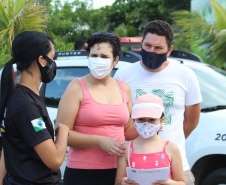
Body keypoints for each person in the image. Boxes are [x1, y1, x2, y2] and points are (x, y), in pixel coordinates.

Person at [114, 20, 202, 185]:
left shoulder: (186, 75)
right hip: (133, 165)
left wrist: (168, 143)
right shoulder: (124, 74)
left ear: (169, 50)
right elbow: (118, 119)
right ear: (141, 44)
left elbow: (192, 120)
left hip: (177, 166)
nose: (151, 51)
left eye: (158, 48)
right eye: (147, 46)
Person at [56, 32, 138, 185]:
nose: (98, 60)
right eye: (94, 55)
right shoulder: (76, 87)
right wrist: (99, 141)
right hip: (83, 172)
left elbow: (128, 129)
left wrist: (148, 124)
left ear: (115, 60)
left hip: (119, 170)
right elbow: (62, 134)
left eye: (104, 56)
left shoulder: (124, 88)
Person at [0, 31, 69, 185]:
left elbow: (7, 148)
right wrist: (63, 131)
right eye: (52, 57)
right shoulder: (26, 105)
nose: (53, 63)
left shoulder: (17, 96)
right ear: (42, 60)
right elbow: (55, 160)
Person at [115, 94, 185, 185]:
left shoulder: (171, 148)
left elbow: (182, 182)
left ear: (161, 121)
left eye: (152, 119)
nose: (146, 124)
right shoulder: (125, 149)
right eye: (141, 119)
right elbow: (118, 182)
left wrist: (171, 183)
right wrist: (122, 182)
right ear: (134, 121)